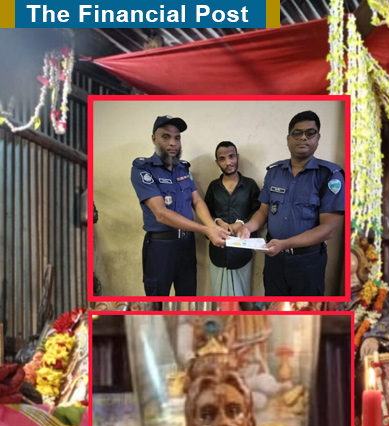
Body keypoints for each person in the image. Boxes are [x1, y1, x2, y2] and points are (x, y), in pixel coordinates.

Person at [234, 111, 345, 296]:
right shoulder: (274, 172)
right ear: (288, 139)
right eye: (297, 133)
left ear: (318, 138)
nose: (303, 137)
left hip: (308, 262)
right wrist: (247, 227)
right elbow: (263, 211)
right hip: (274, 260)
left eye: (310, 133)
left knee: (305, 310)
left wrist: (285, 244)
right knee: (274, 307)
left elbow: (329, 229)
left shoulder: (330, 176)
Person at [130, 116, 229, 296]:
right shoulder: (143, 169)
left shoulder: (182, 168)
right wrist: (205, 230)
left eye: (177, 137)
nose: (173, 143)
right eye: (166, 137)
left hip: (186, 245)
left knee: (187, 297)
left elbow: (196, 201)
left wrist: (213, 226)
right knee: (157, 302)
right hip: (161, 247)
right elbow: (161, 213)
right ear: (154, 139)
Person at [203, 141, 261, 296]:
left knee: (241, 297)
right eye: (222, 159)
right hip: (218, 249)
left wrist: (241, 224)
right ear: (217, 162)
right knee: (219, 298)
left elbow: (259, 212)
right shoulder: (213, 187)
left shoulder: (250, 185)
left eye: (231, 156)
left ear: (237, 157)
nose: (228, 162)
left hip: (242, 252)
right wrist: (218, 222)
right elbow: (206, 213)